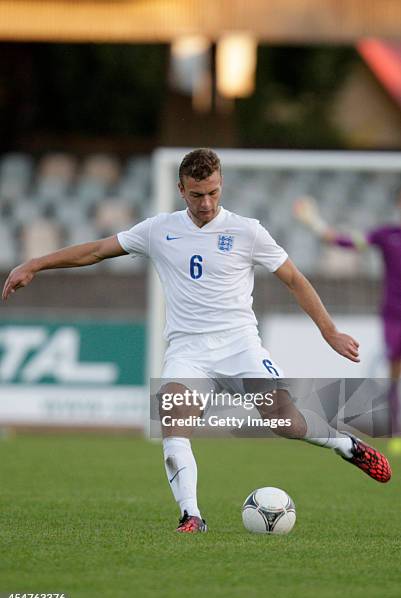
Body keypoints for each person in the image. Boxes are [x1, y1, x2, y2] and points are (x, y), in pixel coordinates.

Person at [2, 149, 391, 534]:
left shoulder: (247, 230)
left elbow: (293, 278)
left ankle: (346, 446)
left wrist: (328, 330)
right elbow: (96, 250)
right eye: (196, 194)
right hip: (188, 352)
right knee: (173, 423)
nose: (206, 203)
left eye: (213, 193)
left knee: (284, 422)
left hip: (241, 346)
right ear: (180, 189)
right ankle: (191, 516)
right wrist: (35, 263)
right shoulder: (158, 228)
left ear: (221, 186)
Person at [294, 194, 401, 443]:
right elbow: (345, 242)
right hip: (394, 316)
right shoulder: (386, 235)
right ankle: (396, 433)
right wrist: (314, 223)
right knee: (395, 372)